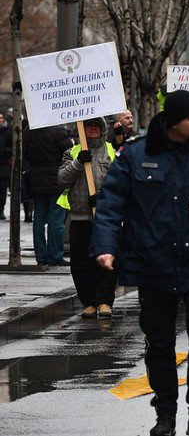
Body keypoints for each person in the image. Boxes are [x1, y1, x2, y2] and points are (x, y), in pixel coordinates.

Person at [91, 90, 189, 436]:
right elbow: (111, 202)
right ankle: (165, 415)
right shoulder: (136, 153)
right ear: (174, 122)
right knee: (159, 342)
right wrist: (105, 246)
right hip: (153, 262)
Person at [57, 117, 117, 318]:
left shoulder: (111, 150)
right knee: (81, 262)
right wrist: (78, 163)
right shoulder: (72, 152)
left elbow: (121, 181)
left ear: (102, 128)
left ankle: (105, 301)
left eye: (96, 125)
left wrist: (103, 198)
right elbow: (62, 179)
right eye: (88, 125)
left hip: (105, 218)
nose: (92, 128)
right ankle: (89, 302)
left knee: (107, 260)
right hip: (80, 216)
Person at [25, 123, 73, 266]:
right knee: (57, 219)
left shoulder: (28, 130)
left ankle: (41, 256)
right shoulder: (57, 131)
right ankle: (55, 255)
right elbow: (69, 152)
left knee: (39, 219)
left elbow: (26, 154)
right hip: (56, 179)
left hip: (36, 179)